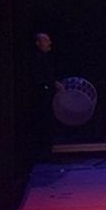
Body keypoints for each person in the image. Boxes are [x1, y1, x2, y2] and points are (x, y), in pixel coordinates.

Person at [28, 32, 63, 163]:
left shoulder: (45, 58)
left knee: (47, 124)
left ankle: (46, 152)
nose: (50, 43)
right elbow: (39, 79)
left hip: (46, 94)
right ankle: (43, 154)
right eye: (46, 40)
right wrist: (52, 84)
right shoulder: (36, 58)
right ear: (38, 43)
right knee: (43, 123)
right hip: (41, 96)